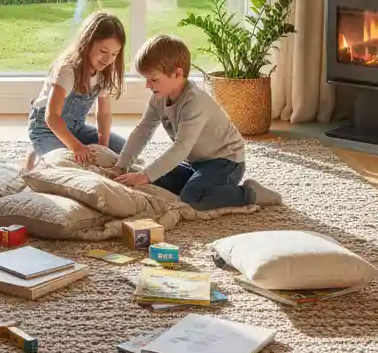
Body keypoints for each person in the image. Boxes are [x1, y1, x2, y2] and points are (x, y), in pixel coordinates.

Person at [112, 34, 281, 209]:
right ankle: (206, 184)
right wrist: (122, 165)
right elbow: (142, 131)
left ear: (178, 73)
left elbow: (181, 147)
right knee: (157, 181)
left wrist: (145, 176)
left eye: (153, 80)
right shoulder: (159, 98)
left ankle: (250, 193)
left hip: (226, 161)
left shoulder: (195, 102)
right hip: (196, 163)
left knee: (192, 199)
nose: (148, 85)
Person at [27, 11, 129, 164]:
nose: (108, 59)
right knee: (65, 163)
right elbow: (52, 117)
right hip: (46, 129)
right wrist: (76, 147)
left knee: (127, 152)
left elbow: (104, 113)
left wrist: (103, 146)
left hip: (76, 129)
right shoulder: (67, 69)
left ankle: (52, 149)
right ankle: (36, 151)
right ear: (87, 43)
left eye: (115, 54)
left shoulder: (104, 71)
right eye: (103, 51)